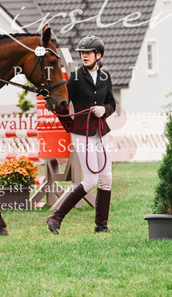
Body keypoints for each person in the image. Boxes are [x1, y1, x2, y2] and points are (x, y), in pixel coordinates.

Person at [47, 35, 116, 235]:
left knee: (106, 178)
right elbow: (61, 103)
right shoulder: (76, 77)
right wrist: (69, 125)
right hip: (81, 134)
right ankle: (56, 217)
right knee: (91, 180)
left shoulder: (105, 75)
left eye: (88, 53)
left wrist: (104, 110)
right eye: (82, 53)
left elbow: (112, 103)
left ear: (98, 55)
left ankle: (101, 226)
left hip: (101, 131)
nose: (84, 56)